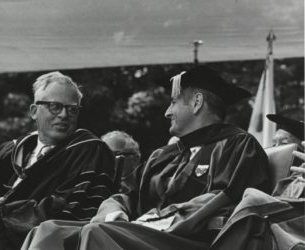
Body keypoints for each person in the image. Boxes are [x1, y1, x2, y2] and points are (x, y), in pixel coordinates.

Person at [21, 65, 271, 250]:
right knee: (50, 230)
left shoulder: (237, 145)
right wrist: (115, 212)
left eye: (173, 102)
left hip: (192, 241)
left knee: (97, 233)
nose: (166, 112)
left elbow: (220, 201)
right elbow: (126, 195)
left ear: (196, 103)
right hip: (146, 235)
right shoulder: (164, 156)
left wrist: (149, 222)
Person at [0, 72, 116, 250]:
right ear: (34, 111)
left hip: (29, 240)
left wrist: (3, 218)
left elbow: (74, 210)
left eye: (72, 109)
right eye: (55, 106)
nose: (64, 115)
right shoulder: (8, 151)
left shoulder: (89, 150)